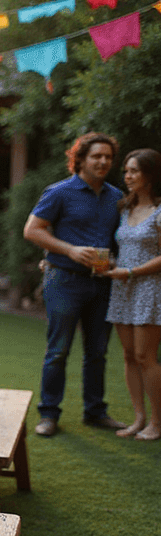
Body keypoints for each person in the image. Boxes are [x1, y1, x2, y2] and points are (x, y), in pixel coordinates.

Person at [23, 132, 124, 437]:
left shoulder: (117, 197)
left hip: (103, 284)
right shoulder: (59, 192)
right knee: (58, 351)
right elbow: (32, 230)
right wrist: (69, 249)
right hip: (64, 279)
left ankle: (95, 412)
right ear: (80, 159)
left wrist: (119, 261)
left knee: (97, 352)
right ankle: (49, 414)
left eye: (108, 156)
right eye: (97, 156)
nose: (103, 161)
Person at [102, 149, 161, 441]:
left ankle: (157, 422)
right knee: (128, 355)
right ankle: (139, 419)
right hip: (122, 287)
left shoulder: (160, 211)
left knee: (145, 356)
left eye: (135, 171)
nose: (128, 176)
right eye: (126, 171)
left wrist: (131, 272)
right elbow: (123, 250)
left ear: (150, 175)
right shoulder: (124, 209)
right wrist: (111, 266)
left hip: (149, 288)